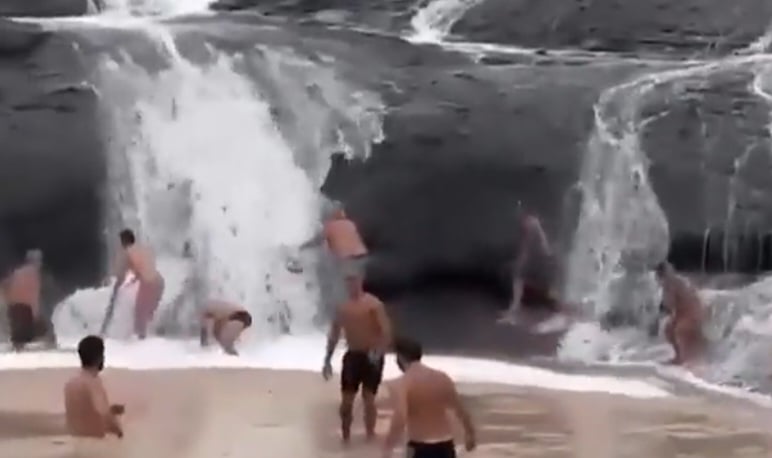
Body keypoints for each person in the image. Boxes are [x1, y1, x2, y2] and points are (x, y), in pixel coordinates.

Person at [322, 274, 392, 444]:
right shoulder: (343, 308)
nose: (351, 286)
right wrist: (327, 360)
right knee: (346, 402)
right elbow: (334, 334)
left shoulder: (374, 304)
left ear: (360, 282)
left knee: (369, 399)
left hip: (371, 356)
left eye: (354, 281)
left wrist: (378, 352)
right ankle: (345, 437)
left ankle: (370, 436)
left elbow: (386, 332)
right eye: (348, 282)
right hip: (352, 356)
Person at [382, 337, 476, 458]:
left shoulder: (403, 383)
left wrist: (388, 447)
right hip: (446, 446)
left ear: (400, 357)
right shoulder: (442, 377)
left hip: (420, 447)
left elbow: (400, 416)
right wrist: (470, 433)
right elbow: (460, 410)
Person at [498, 207, 560, 324]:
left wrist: (518, 264)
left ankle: (515, 312)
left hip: (542, 263)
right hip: (541, 261)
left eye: (522, 219)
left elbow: (528, 249)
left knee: (520, 279)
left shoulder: (532, 225)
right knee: (519, 279)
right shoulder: (534, 226)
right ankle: (514, 310)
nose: (521, 223)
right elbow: (529, 249)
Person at [64, 335, 124, 439]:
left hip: (74, 440)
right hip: (95, 443)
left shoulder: (70, 383)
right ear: (99, 358)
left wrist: (111, 410)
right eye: (103, 354)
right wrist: (119, 432)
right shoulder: (93, 383)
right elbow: (103, 414)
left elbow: (84, 413)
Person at [109, 229, 165, 339]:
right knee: (147, 315)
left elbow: (121, 277)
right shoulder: (142, 248)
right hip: (159, 282)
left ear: (123, 241)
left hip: (149, 284)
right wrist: (134, 279)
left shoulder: (127, 253)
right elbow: (146, 268)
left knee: (140, 317)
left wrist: (115, 293)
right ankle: (156, 336)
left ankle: (141, 343)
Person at [1, 249, 55, 351]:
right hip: (25, 309)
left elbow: (6, 286)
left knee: (18, 335)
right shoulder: (36, 274)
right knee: (26, 333)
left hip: (15, 307)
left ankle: (17, 349)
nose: (40, 263)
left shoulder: (17, 272)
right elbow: (34, 295)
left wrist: (8, 303)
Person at [655, 262, 705, 365]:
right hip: (683, 312)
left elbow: (669, 305)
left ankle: (685, 358)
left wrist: (661, 312)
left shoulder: (671, 284)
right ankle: (679, 356)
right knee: (669, 329)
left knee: (680, 330)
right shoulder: (674, 281)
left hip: (692, 312)